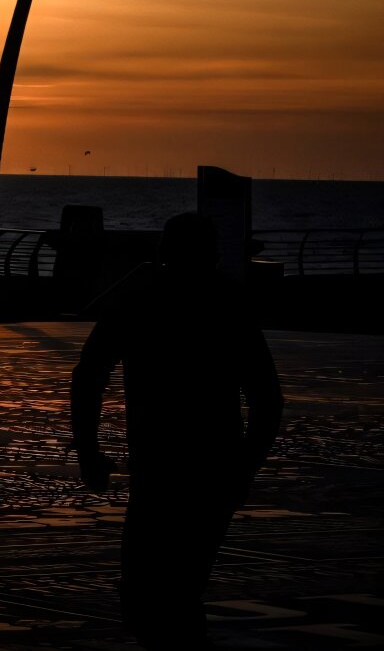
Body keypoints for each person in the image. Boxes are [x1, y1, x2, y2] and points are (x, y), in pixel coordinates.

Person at [70, 212, 283, 650]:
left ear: (165, 252)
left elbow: (88, 375)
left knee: (147, 592)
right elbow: (267, 398)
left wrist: (89, 451)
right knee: (182, 589)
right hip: (214, 465)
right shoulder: (229, 303)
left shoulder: (137, 301)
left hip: (159, 467)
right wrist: (246, 466)